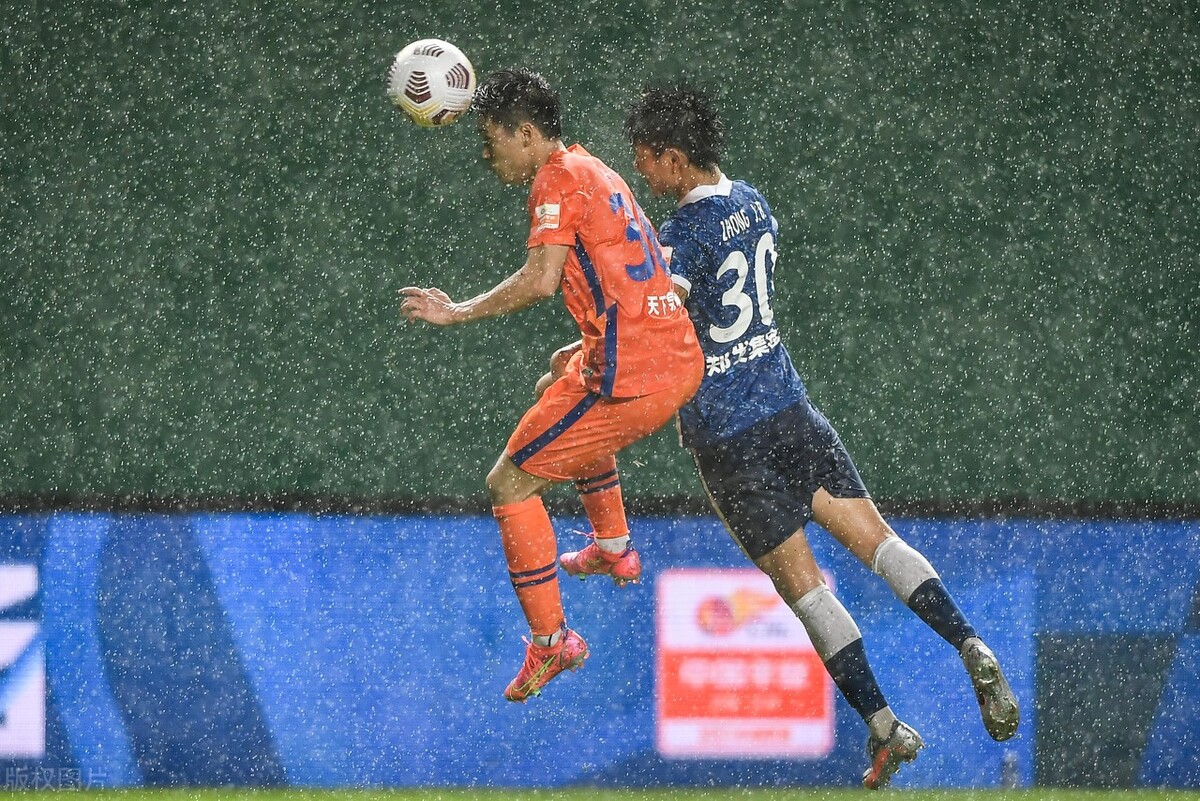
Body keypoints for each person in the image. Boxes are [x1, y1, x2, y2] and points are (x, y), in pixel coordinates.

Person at [569, 85, 1019, 788]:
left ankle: (885, 725)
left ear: (675, 159)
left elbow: (658, 324)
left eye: (646, 159)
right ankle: (969, 641)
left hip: (728, 439)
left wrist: (587, 351)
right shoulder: (753, 202)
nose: (642, 172)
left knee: (807, 591)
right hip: (790, 410)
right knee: (881, 544)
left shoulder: (679, 237)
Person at [399, 69, 704, 703]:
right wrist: (596, 339)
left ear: (525, 134)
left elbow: (541, 279)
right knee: (556, 381)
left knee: (508, 483)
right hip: (671, 355)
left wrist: (457, 312)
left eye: (492, 141)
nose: (488, 156)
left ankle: (551, 641)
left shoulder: (556, 179)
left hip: (637, 377)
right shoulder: (595, 168)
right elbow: (645, 264)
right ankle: (613, 544)